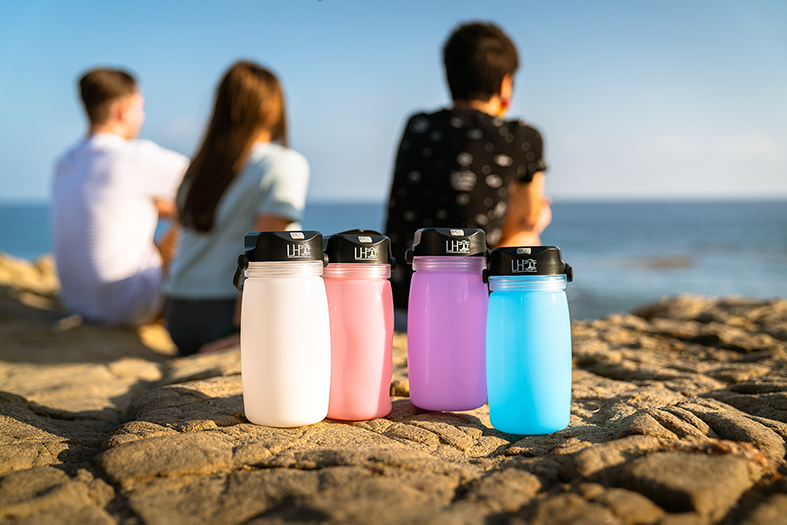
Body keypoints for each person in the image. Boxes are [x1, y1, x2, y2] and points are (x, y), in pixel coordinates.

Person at [384, 21, 552, 313]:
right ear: (506, 83)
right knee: (529, 236)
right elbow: (523, 220)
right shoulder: (522, 137)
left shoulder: (417, 125)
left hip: (406, 295)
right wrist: (539, 216)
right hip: (470, 298)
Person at [166, 61, 309, 356]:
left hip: (178, 316)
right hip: (226, 317)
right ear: (268, 108)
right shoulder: (284, 163)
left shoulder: (197, 171)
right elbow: (264, 254)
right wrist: (241, 329)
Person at [52, 68, 188, 325]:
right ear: (124, 111)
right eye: (140, 107)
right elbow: (210, 184)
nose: (143, 116)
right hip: (131, 305)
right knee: (194, 214)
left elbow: (115, 204)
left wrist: (158, 206)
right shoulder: (133, 156)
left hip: (76, 301)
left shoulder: (64, 163)